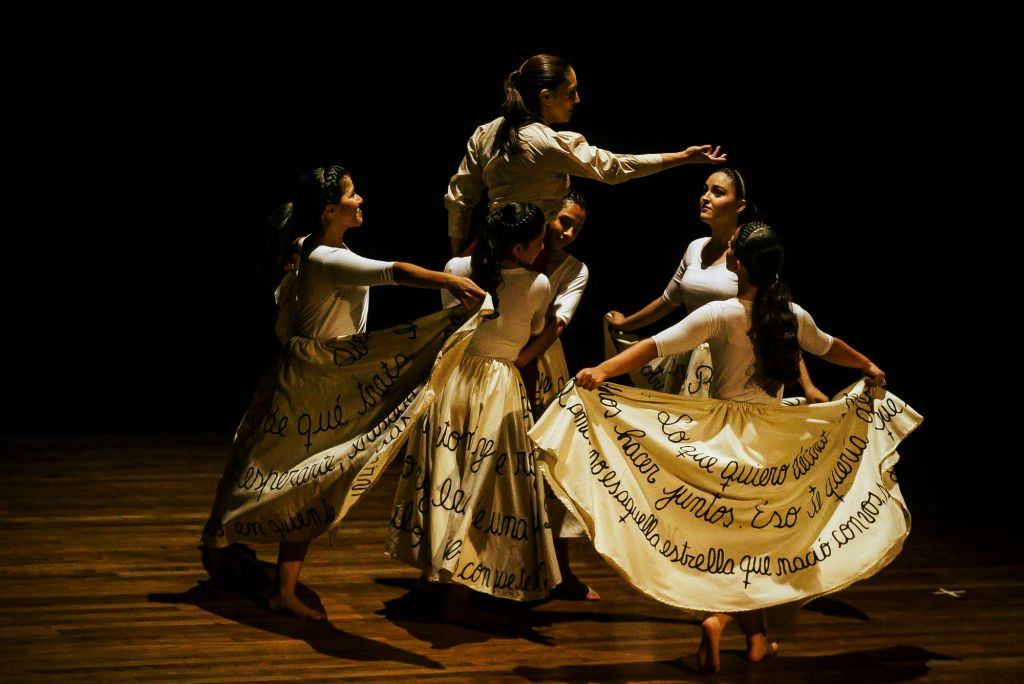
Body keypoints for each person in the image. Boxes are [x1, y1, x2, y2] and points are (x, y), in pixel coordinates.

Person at [574, 221, 887, 673]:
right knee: (755, 542)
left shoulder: (721, 314)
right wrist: (868, 365)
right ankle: (754, 638)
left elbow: (655, 346)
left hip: (725, 438)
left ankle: (721, 620)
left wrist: (603, 370)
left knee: (736, 541)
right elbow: (829, 347)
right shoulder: (791, 315)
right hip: (773, 441)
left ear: (736, 263)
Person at [201, 164, 485, 621]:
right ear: (330, 210)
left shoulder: (309, 247)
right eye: (352, 195)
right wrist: (449, 280)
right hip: (312, 382)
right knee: (295, 476)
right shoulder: (326, 259)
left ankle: (237, 562)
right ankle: (254, 572)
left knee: (283, 470)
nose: (360, 200)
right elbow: (394, 272)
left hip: (312, 375)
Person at [386, 202, 560, 621]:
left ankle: (433, 574)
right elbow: (532, 335)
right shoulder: (537, 283)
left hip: (452, 379)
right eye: (538, 242)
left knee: (444, 477)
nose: (543, 249)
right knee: (480, 486)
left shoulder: (455, 269)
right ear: (517, 248)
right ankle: (458, 587)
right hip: (496, 387)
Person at [446, 53, 726, 257]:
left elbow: (459, 198)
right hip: (521, 252)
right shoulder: (544, 143)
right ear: (546, 97)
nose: (577, 100)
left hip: (485, 246)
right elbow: (614, 168)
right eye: (571, 93)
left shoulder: (486, 132)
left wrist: (458, 258)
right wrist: (683, 157)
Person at [605, 168, 828, 402]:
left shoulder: (749, 252)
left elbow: (778, 320)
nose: (706, 197)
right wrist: (626, 324)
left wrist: (808, 385)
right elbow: (668, 301)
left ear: (740, 205)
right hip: (688, 360)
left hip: (731, 368)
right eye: (705, 190)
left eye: (718, 192)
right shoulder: (695, 248)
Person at [513, 189, 598, 601]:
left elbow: (558, 322)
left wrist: (525, 357)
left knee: (552, 462)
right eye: (564, 221)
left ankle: (561, 569)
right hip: (502, 352)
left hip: (541, 360)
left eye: (577, 228)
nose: (568, 232)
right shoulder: (515, 249)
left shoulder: (574, 269)